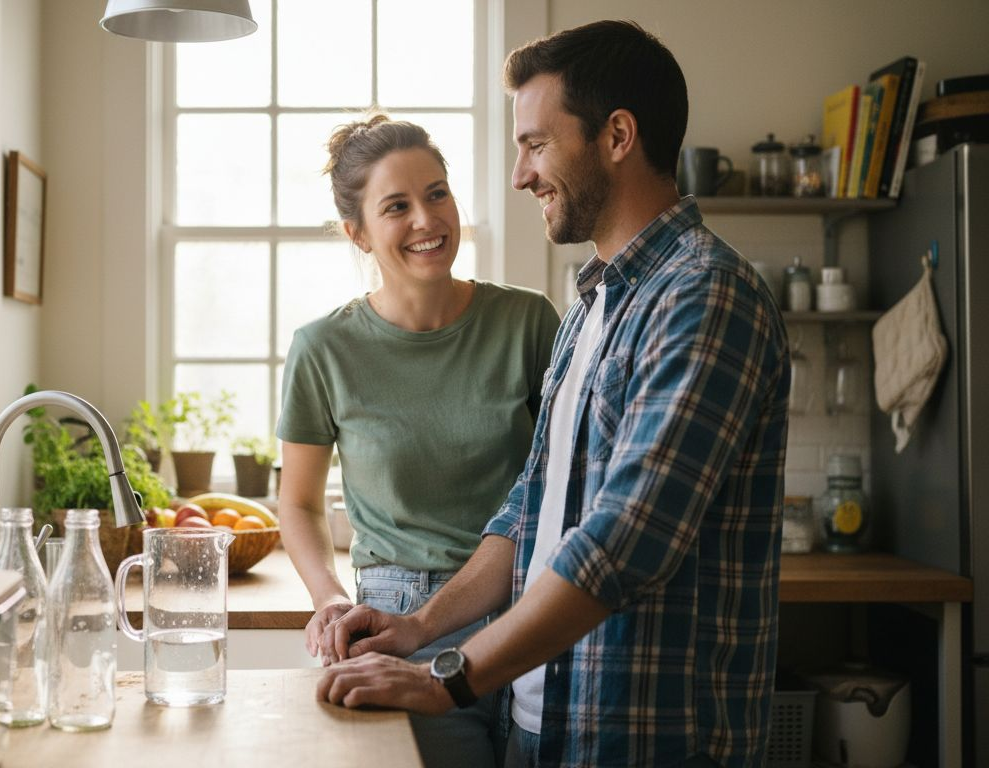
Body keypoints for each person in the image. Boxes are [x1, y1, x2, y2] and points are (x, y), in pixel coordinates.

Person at [314, 20, 790, 768]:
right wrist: (420, 627)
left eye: (536, 144)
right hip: (547, 720)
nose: (519, 175)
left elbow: (625, 543)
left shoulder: (704, 295)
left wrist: (450, 678)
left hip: (644, 736)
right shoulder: (594, 303)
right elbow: (532, 508)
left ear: (617, 136)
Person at [277, 113, 562, 768]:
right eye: (396, 206)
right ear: (359, 233)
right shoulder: (323, 350)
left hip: (530, 606)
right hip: (398, 624)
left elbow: (559, 479)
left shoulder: (527, 322)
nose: (427, 220)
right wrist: (328, 598)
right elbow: (296, 502)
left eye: (437, 193)